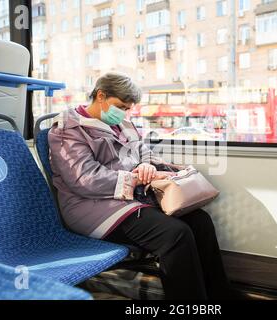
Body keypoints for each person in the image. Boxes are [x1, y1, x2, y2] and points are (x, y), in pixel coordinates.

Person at [48, 72, 238, 300]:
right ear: (100, 95)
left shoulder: (122, 124)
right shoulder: (68, 130)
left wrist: (147, 166)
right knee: (175, 234)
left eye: (128, 108)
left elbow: (143, 152)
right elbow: (85, 179)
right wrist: (135, 177)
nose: (124, 112)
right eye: (120, 106)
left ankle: (221, 295)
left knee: (200, 222)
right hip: (91, 207)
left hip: (130, 199)